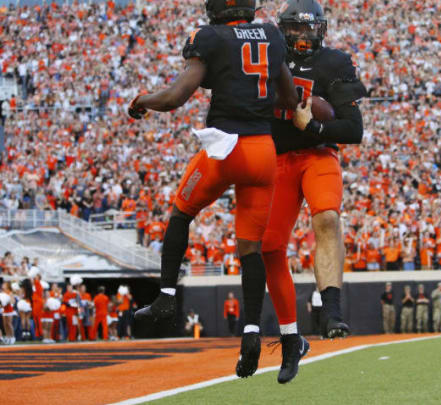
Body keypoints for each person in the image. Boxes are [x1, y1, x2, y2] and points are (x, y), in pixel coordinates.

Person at [129, 0, 298, 381]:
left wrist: (141, 101)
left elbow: (175, 97)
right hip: (263, 153)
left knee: (181, 212)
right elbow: (288, 98)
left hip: (226, 146)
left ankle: (166, 298)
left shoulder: (210, 37)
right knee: (250, 249)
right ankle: (252, 331)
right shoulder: (271, 34)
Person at [260, 0, 365, 383]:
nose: (303, 38)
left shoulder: (335, 63)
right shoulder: (267, 59)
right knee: (270, 246)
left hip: (318, 154)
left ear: (321, 30)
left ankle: (332, 311)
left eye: (309, 30)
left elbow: (354, 129)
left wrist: (314, 128)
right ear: (283, 30)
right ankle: (291, 335)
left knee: (327, 216)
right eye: (295, 30)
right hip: (279, 159)